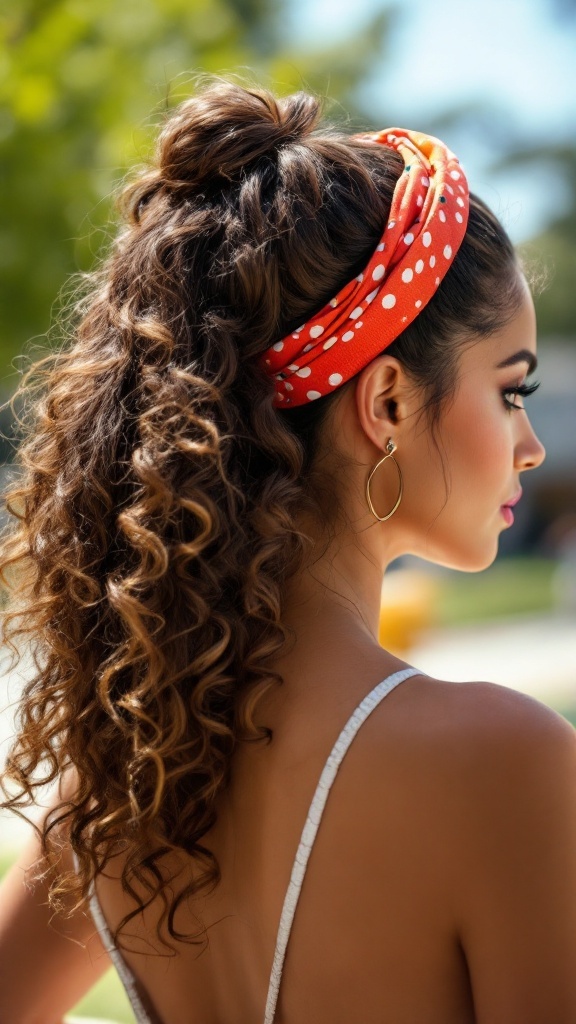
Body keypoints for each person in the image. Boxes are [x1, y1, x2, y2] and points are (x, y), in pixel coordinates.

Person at [1, 78, 575, 1024]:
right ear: (387, 401)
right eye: (511, 389)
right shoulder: (502, 764)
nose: (531, 443)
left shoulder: (130, 768)